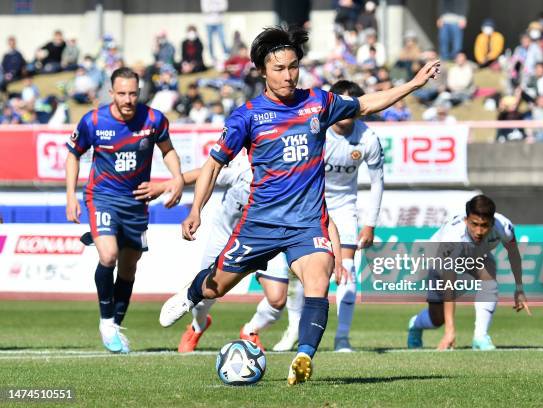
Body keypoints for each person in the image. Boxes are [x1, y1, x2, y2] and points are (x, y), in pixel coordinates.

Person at [158, 25, 439, 385]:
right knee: (214, 288)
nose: (289, 75)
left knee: (318, 281)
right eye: (279, 69)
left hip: (307, 224)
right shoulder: (247, 116)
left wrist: (414, 83)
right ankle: (191, 293)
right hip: (260, 224)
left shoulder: (317, 103)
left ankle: (303, 357)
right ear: (262, 70)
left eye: (293, 67)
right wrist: (195, 209)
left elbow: (366, 103)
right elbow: (214, 164)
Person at [135, 153, 345, 353]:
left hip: (268, 238)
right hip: (226, 236)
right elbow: (205, 172)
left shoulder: (294, 176)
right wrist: (165, 185)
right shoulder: (243, 167)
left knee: (277, 299)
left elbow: (322, 213)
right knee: (207, 291)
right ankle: (197, 327)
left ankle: (250, 330)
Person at [65, 67, 184, 354]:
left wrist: (177, 178)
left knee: (129, 268)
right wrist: (70, 195)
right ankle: (106, 322)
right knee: (109, 255)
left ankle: (115, 325)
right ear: (111, 94)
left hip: (136, 203)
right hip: (102, 197)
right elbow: (73, 154)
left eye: (133, 93)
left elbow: (167, 150)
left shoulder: (154, 119)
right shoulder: (93, 121)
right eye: (122, 94)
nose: (128, 99)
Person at [273, 80, 385, 353]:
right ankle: (294, 331)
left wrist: (369, 223)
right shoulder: (314, 128)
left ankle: (342, 338)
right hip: (310, 204)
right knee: (305, 270)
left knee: (347, 270)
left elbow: (377, 181)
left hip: (345, 207)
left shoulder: (368, 138)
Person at [406, 195, 530, 351]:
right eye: (474, 224)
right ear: (466, 220)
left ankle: (480, 337)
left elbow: (513, 252)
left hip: (474, 256)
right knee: (438, 318)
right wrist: (449, 331)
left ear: (492, 222)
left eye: (484, 225)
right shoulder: (452, 237)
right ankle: (415, 324)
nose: (479, 231)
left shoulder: (504, 227)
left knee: (489, 271)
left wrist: (519, 288)